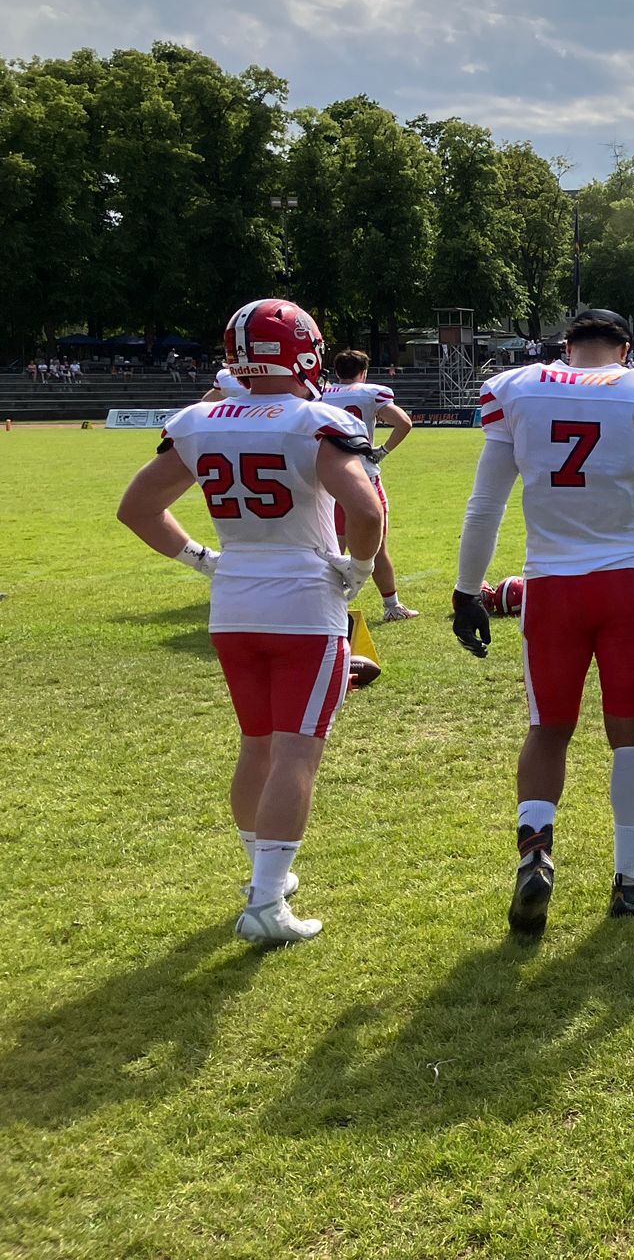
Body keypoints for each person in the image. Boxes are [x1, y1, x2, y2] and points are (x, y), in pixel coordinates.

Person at [117, 299, 384, 945]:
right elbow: (366, 509)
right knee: (296, 749)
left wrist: (204, 559)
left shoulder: (201, 419)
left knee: (258, 743)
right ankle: (267, 903)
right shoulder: (316, 420)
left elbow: (137, 508)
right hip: (302, 598)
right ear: (306, 350)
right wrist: (361, 567)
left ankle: (264, 876)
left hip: (234, 600)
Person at [451, 309, 634, 936]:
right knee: (629, 735)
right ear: (625, 348)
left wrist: (467, 591)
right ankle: (628, 879)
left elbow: (486, 504)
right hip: (628, 583)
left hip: (551, 586)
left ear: (564, 346)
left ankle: (536, 853)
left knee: (548, 730)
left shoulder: (517, 388)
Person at [321, 349, 418, 621]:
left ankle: (322, 607)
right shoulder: (369, 393)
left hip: (327, 478)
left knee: (332, 547)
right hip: (362, 477)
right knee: (377, 546)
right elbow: (404, 422)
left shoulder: (320, 394)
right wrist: (383, 451)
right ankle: (392, 606)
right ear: (363, 372)